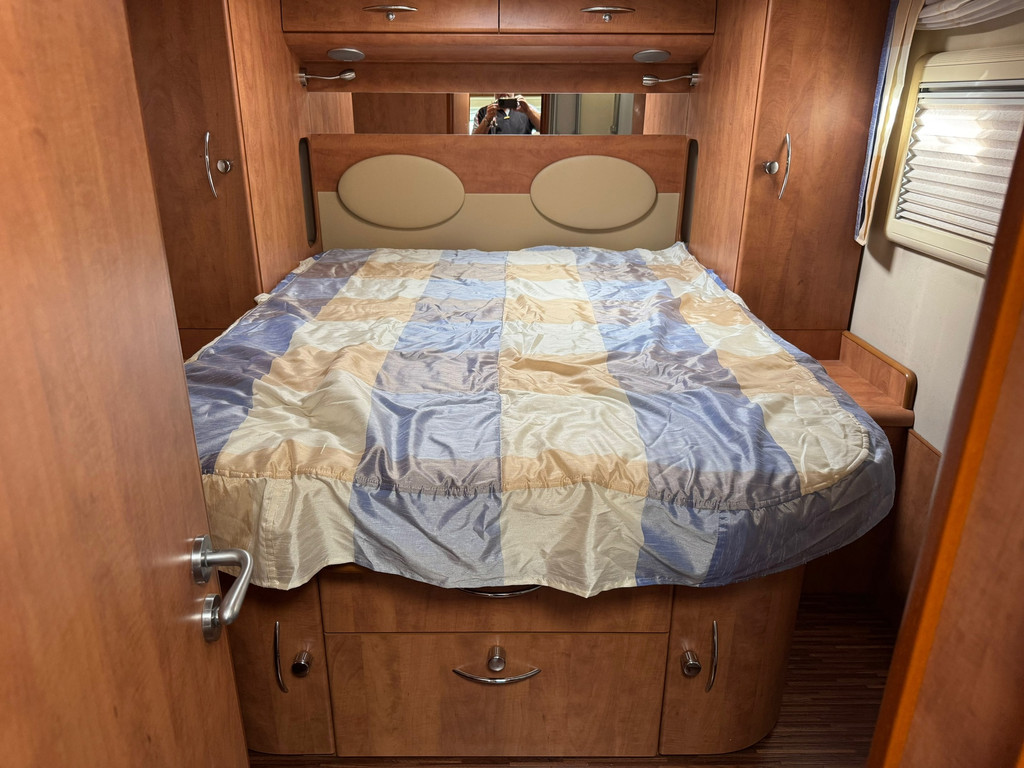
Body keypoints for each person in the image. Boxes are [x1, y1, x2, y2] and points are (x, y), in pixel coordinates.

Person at [473, 93, 541, 135]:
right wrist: (487, 119)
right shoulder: (483, 112)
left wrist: (529, 111)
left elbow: (544, 129)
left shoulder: (526, 108)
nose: (504, 92)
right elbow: (475, 141)